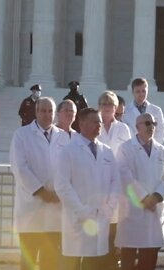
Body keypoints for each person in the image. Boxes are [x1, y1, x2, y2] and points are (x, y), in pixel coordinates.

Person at [55, 108, 120, 270]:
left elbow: (115, 182)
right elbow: (62, 185)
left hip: (101, 218)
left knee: (97, 263)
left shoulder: (107, 151)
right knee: (75, 263)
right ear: (82, 123)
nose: (99, 125)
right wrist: (82, 210)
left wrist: (109, 207)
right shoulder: (69, 151)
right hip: (78, 219)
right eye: (95, 121)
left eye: (100, 121)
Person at [10, 97, 70, 270]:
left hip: (56, 208)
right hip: (31, 207)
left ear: (55, 113)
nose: (46, 114)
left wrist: (60, 192)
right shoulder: (21, 135)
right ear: (36, 112)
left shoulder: (63, 137)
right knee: (28, 260)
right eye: (43, 111)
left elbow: (70, 167)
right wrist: (42, 192)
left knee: (50, 261)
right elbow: (20, 168)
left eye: (50, 111)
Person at [115, 113, 164, 270]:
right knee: (128, 260)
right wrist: (144, 198)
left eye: (153, 123)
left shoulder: (162, 151)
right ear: (137, 126)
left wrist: (155, 197)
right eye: (147, 123)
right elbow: (125, 176)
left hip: (154, 211)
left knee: (149, 261)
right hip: (133, 211)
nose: (151, 126)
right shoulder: (126, 148)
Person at [96, 91, 131, 269]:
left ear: (116, 108)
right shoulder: (93, 126)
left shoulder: (123, 129)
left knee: (114, 231)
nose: (107, 107)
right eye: (104, 104)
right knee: (99, 230)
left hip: (118, 184)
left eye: (110, 104)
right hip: (98, 183)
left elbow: (128, 155)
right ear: (99, 107)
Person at [123, 78, 164, 144]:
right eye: (138, 91)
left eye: (143, 91)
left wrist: (152, 147)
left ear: (147, 91)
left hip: (151, 149)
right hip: (132, 149)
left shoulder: (156, 110)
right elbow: (126, 133)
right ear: (132, 92)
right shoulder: (125, 111)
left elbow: (160, 132)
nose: (141, 94)